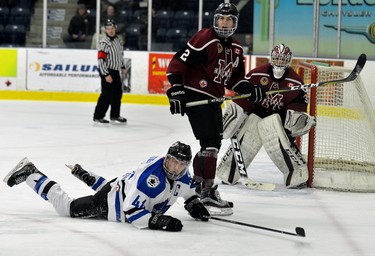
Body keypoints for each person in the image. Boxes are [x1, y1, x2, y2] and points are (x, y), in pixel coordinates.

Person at [166, 3, 266, 216]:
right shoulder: (205, 38)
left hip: (213, 98)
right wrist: (176, 89)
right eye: (221, 18)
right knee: (211, 143)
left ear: (235, 23)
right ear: (215, 20)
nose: (224, 23)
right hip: (196, 94)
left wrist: (250, 89)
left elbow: (236, 79)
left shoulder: (237, 49)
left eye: (229, 19)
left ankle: (198, 186)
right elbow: (178, 62)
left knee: (211, 143)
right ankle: (207, 192)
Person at [3, 141, 210, 232]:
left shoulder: (182, 175)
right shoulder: (149, 179)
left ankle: (85, 175)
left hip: (119, 186)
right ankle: (31, 174)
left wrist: (193, 204)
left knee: (111, 187)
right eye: (174, 161)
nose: (176, 167)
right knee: (68, 208)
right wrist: (158, 221)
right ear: (166, 158)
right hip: (111, 204)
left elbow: (186, 192)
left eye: (182, 163)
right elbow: (131, 212)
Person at [217, 43, 316, 189]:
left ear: (288, 61)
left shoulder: (295, 82)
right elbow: (243, 97)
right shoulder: (257, 74)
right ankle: (228, 173)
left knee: (274, 131)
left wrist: (297, 122)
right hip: (256, 116)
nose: (279, 62)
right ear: (271, 58)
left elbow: (297, 108)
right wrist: (236, 115)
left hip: (277, 123)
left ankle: (296, 175)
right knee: (249, 131)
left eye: (283, 60)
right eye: (277, 59)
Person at [93, 18, 127, 124]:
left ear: (115, 28)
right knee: (106, 95)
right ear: (105, 30)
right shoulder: (104, 42)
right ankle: (98, 116)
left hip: (115, 71)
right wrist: (105, 74)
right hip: (107, 71)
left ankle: (115, 115)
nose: (110, 30)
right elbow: (101, 60)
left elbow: (120, 55)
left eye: (112, 28)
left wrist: (122, 66)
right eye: (108, 28)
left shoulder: (118, 40)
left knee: (117, 94)